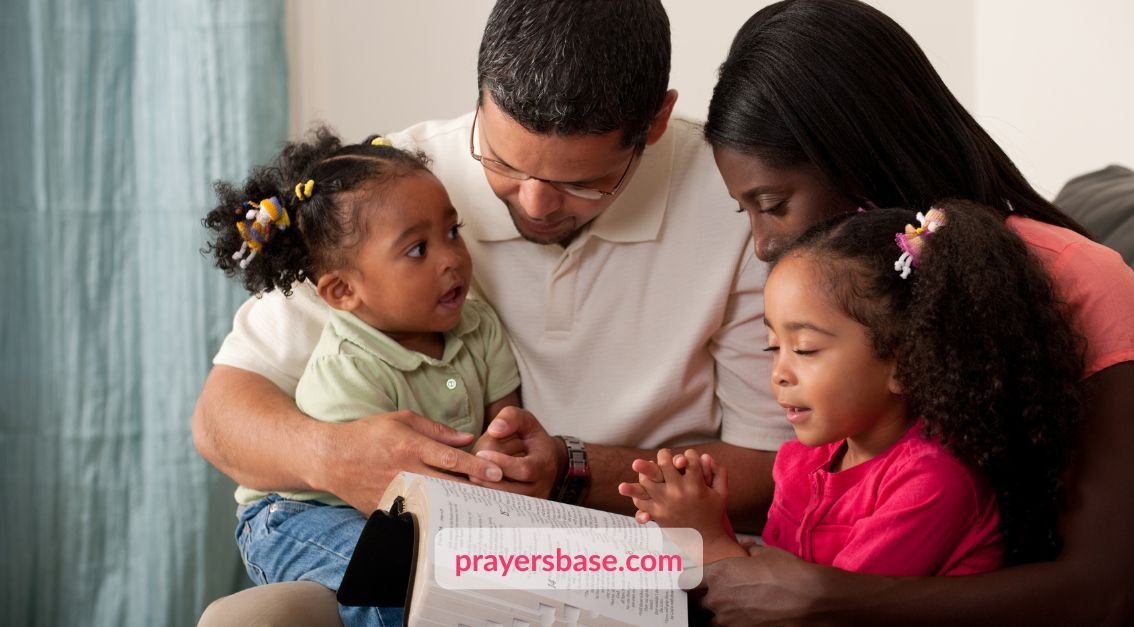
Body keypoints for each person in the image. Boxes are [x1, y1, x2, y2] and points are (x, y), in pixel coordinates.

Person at [195, 1, 787, 624]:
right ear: (480, 96)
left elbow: (774, 473)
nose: (534, 204)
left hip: (606, 548)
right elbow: (220, 417)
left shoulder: (735, 199)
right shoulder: (396, 188)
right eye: (503, 163)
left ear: (657, 121)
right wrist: (337, 456)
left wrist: (569, 469)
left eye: (582, 183)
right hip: (458, 541)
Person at [698, 0, 1134, 624]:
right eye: (743, 210)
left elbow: (1106, 596)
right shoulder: (842, 301)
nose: (762, 244)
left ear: (855, 159)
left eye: (773, 204)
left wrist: (823, 598)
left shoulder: (1081, 280)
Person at [624, 204, 1086, 579]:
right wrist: (700, 517)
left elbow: (814, 610)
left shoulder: (933, 483)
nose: (779, 374)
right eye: (773, 346)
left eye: (805, 349)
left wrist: (707, 539)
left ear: (905, 362)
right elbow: (773, 579)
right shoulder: (802, 461)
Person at [202, 128, 521, 626]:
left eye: (452, 231)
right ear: (343, 291)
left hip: (403, 510)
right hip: (298, 515)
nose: (452, 259)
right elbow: (386, 496)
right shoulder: (346, 368)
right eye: (417, 249)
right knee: (394, 579)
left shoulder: (478, 325)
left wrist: (503, 450)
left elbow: (507, 421)